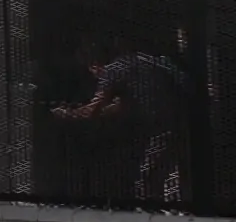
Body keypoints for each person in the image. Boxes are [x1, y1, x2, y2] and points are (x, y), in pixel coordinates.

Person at [51, 36, 186, 203]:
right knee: (166, 171)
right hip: (178, 120)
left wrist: (66, 114)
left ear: (94, 66)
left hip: (165, 124)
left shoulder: (112, 71)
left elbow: (92, 111)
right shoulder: (134, 63)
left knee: (148, 176)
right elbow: (122, 106)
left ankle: (153, 212)